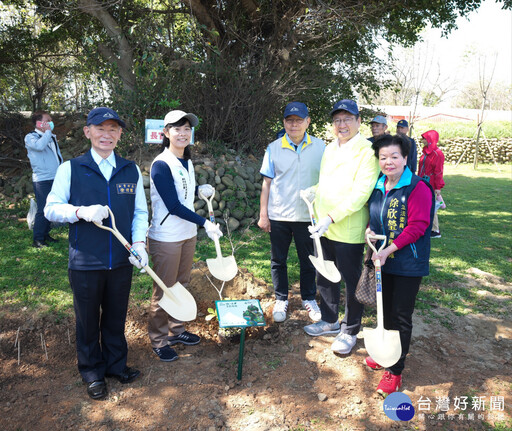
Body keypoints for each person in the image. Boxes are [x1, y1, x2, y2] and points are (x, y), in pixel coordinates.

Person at [44, 107, 148, 400]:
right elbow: (51, 208)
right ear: (87, 132)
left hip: (122, 258)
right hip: (85, 261)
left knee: (116, 317)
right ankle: (92, 372)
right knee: (88, 320)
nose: (107, 135)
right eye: (100, 129)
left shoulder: (130, 169)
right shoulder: (71, 168)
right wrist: (80, 212)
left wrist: (139, 244)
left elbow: (140, 211)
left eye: (113, 129)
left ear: (120, 134)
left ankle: (116, 366)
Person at [303, 99, 380, 356]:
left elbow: (360, 193)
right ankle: (329, 319)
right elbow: (325, 183)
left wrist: (331, 217)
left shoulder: (367, 151)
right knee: (324, 274)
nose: (342, 124)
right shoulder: (330, 148)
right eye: (337, 120)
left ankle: (350, 330)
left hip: (347, 228)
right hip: (323, 226)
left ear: (359, 122)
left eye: (348, 119)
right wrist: (312, 193)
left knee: (350, 279)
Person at [147, 110, 223, 362]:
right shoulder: (160, 164)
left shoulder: (186, 161)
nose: (183, 133)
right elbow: (172, 205)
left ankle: (176, 331)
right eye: (177, 128)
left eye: (187, 129)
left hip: (186, 234)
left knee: (181, 285)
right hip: (166, 236)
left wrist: (198, 189)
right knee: (164, 290)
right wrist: (204, 223)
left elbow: (184, 197)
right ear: (165, 133)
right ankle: (158, 340)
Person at [365, 134, 434, 396]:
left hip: (407, 263)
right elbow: (374, 217)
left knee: (400, 316)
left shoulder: (418, 187)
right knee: (383, 313)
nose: (389, 161)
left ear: (405, 158)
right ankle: (385, 355)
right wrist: (369, 230)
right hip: (382, 261)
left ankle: (395, 370)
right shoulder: (379, 184)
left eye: (394, 156)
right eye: (383, 157)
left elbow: (418, 226)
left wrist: (389, 250)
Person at [258, 102, 325, 323]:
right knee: (278, 260)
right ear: (284, 122)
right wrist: (263, 214)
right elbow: (266, 183)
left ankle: (309, 298)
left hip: (309, 216)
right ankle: (281, 298)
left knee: (309, 260)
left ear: (308, 121)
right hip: (279, 216)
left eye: (298, 120)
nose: (294, 124)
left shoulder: (321, 148)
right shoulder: (274, 148)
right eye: (289, 120)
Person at [25, 111, 63, 248]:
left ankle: (46, 234)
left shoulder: (50, 137)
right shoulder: (31, 137)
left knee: (51, 207)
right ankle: (38, 239)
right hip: (42, 179)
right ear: (39, 123)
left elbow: (56, 155)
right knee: (43, 209)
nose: (51, 122)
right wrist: (47, 133)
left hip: (55, 177)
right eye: (48, 120)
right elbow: (39, 147)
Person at [418, 129, 445, 238]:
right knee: (425, 205)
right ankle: (428, 227)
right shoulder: (426, 152)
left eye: (425, 138)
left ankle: (435, 229)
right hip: (423, 182)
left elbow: (438, 171)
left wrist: (438, 187)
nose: (422, 140)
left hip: (430, 184)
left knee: (430, 206)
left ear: (430, 139)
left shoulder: (437, 154)